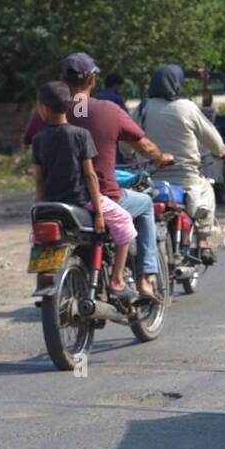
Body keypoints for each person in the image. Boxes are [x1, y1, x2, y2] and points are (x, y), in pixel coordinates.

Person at [24, 53, 173, 301]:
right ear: (92, 79)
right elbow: (144, 146)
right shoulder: (108, 110)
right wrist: (159, 157)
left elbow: (31, 143)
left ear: (62, 79)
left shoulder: (46, 111)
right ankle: (144, 279)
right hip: (100, 197)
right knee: (145, 204)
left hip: (55, 199)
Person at [31, 81, 136, 295]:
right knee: (124, 220)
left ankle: (44, 280)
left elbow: (39, 180)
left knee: (37, 239)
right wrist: (98, 213)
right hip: (81, 201)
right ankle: (117, 280)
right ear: (69, 106)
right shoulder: (80, 135)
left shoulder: (38, 139)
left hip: (51, 204)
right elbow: (90, 176)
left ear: (43, 108)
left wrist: (40, 209)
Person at [137, 65, 225, 263]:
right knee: (206, 190)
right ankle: (203, 242)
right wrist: (221, 151)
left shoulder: (142, 108)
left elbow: (127, 140)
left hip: (150, 179)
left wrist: (129, 155)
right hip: (186, 178)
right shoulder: (186, 107)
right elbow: (210, 137)